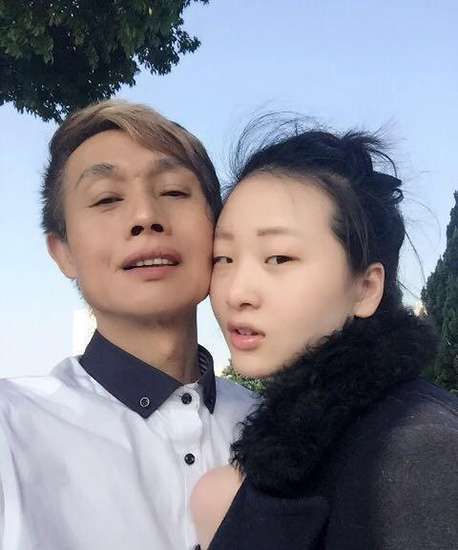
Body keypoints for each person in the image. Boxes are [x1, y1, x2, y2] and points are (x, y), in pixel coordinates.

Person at [0, 100, 255, 550]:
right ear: (63, 252)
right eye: (106, 199)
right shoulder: (11, 429)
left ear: (217, 229)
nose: (144, 217)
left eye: (173, 191)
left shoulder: (276, 425)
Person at [191, 122, 458, 550]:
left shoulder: (417, 450)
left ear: (365, 287)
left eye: (279, 257)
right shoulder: (291, 451)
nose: (236, 292)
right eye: (223, 258)